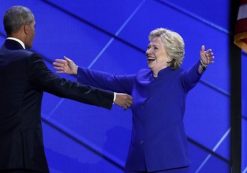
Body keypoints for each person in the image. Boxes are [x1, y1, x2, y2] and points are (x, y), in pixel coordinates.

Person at [53, 28, 214, 173]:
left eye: (155, 48)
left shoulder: (179, 79)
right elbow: (110, 80)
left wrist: (202, 64)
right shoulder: (140, 78)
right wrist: (77, 71)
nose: (148, 51)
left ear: (171, 55)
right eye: (149, 47)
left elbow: (193, 76)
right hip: (137, 164)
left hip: (168, 164)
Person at [0, 5, 132, 173]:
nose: (34, 31)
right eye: (34, 26)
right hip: (23, 156)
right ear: (26, 28)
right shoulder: (29, 59)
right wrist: (112, 97)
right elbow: (64, 87)